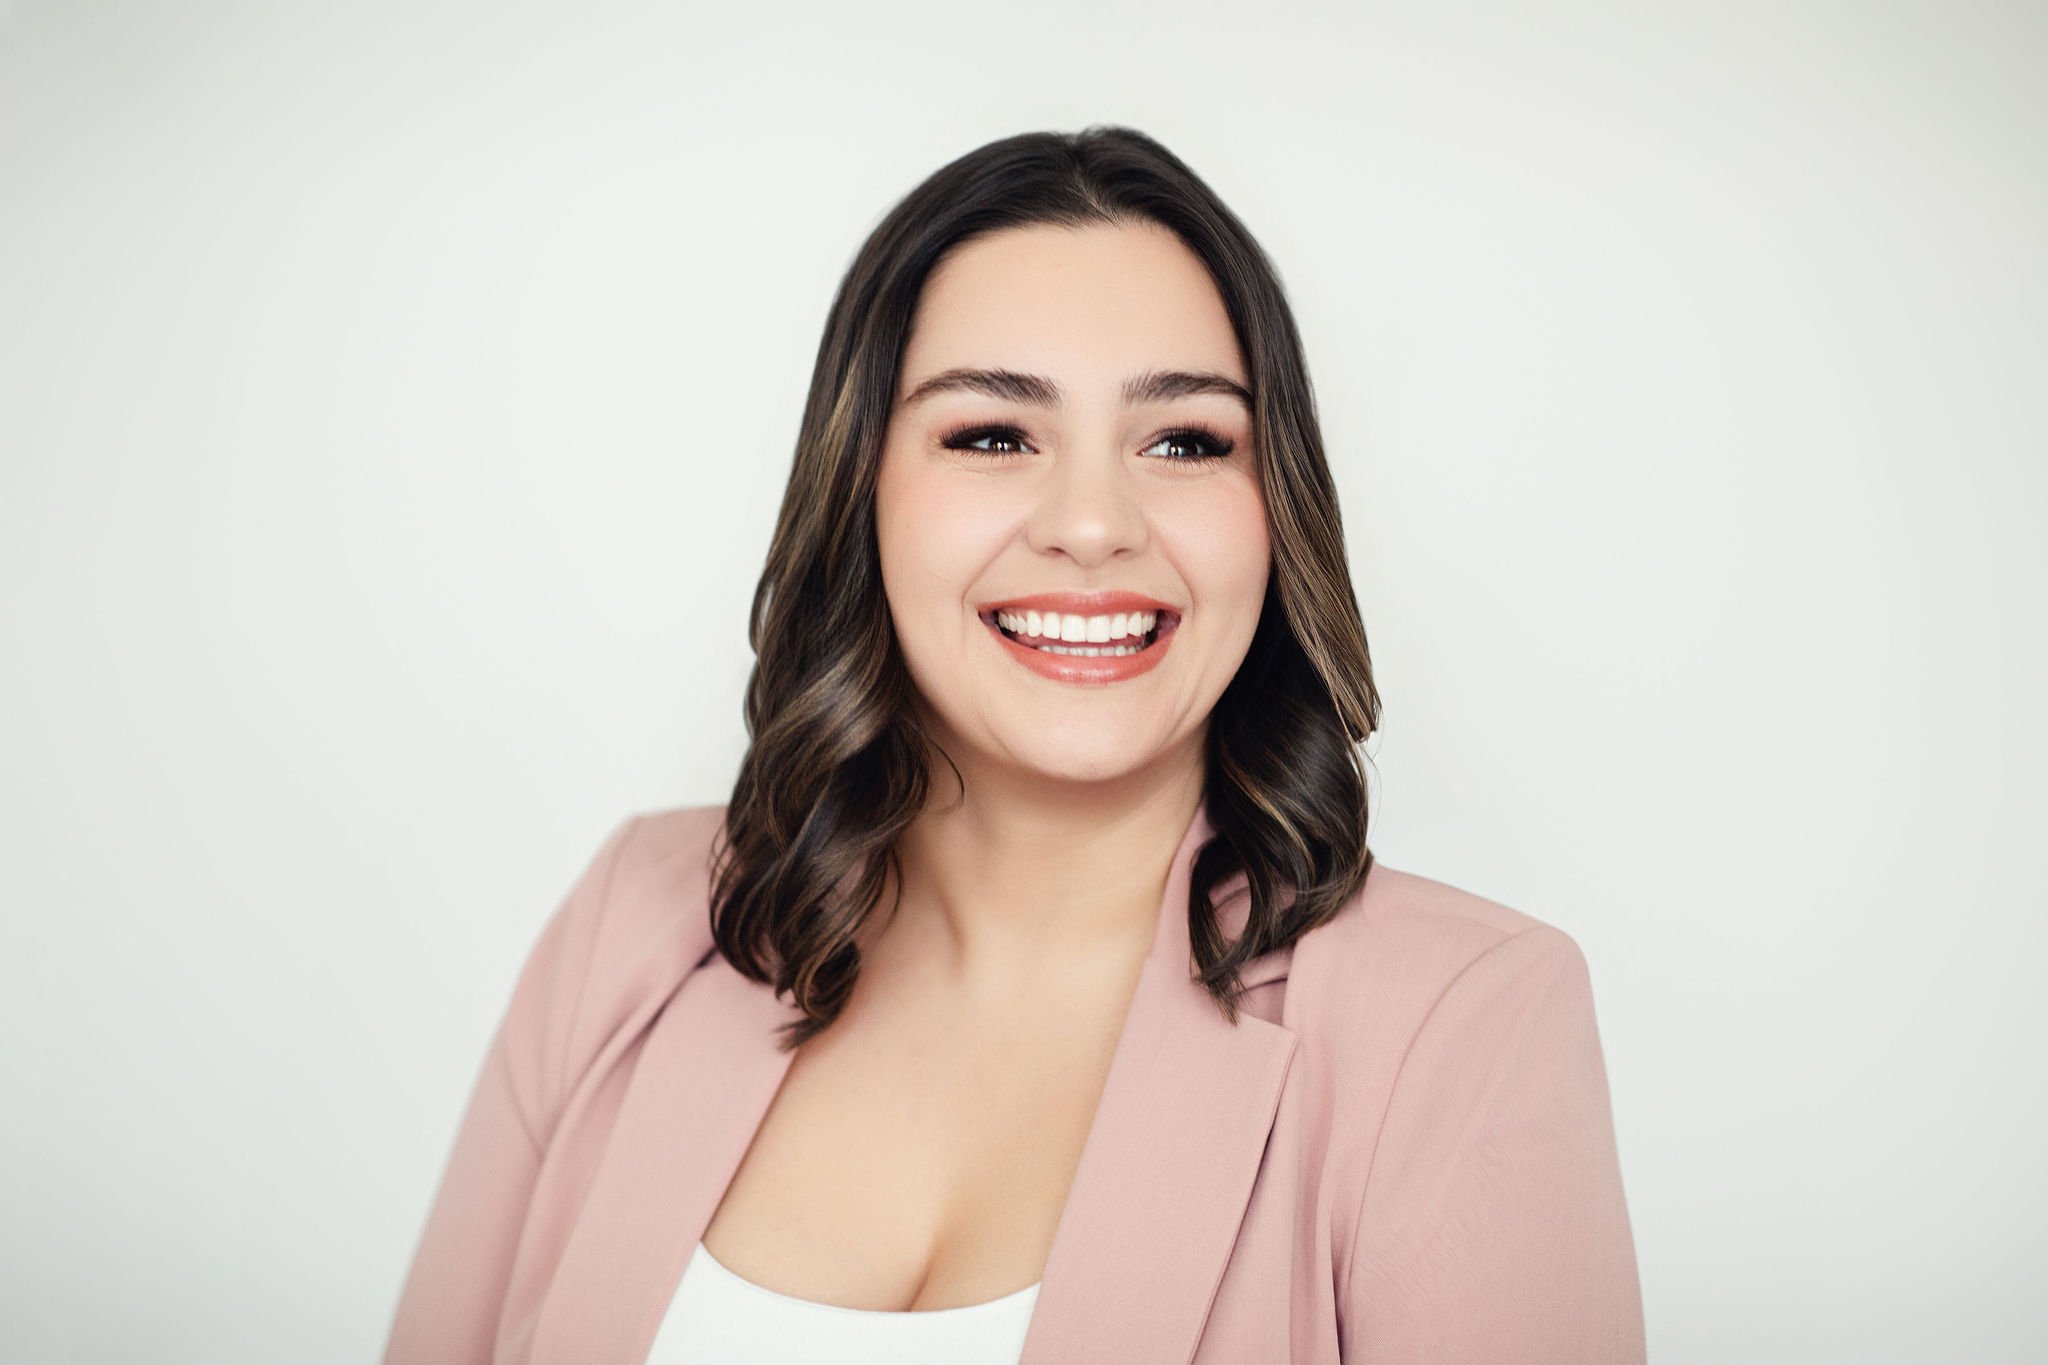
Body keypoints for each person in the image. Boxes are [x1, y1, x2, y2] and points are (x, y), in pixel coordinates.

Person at [380, 125, 1645, 1365]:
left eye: (1184, 440)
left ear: (1276, 513)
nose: (1091, 524)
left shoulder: (1465, 1024)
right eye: (991, 434)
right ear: (859, 489)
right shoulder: (635, 922)